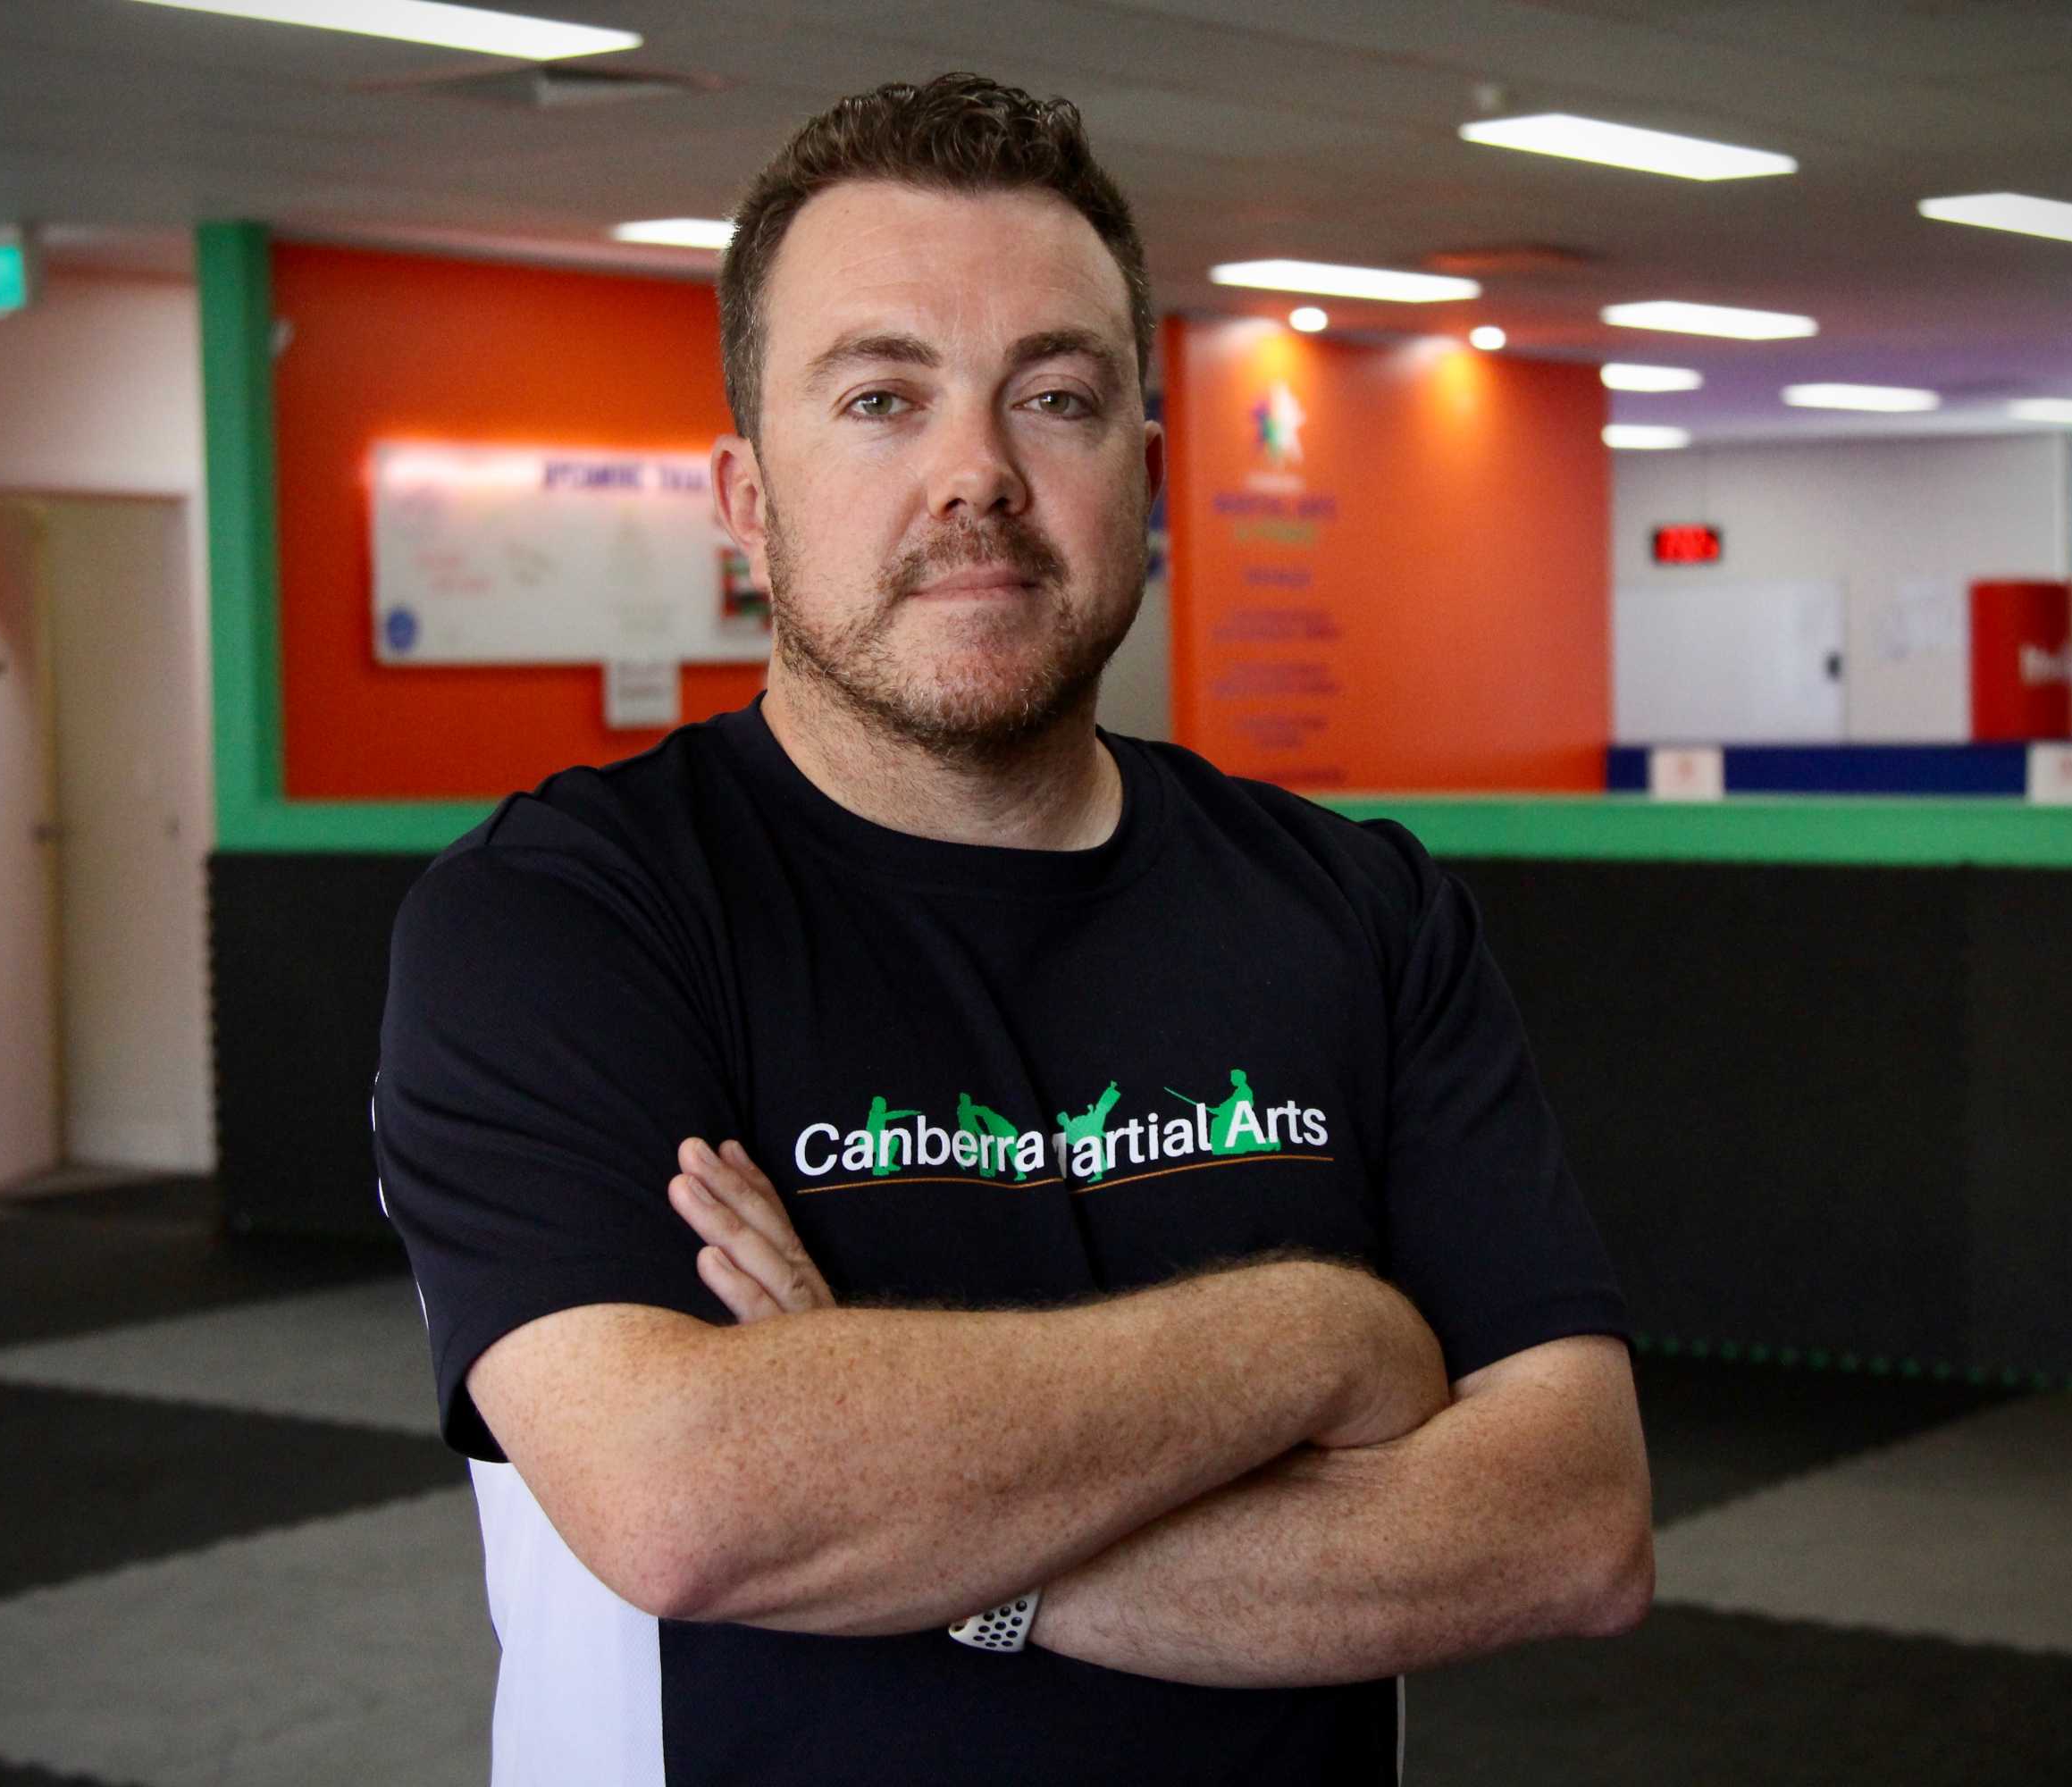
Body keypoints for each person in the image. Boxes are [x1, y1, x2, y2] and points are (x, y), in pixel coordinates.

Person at [373, 72, 1651, 1787]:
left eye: (1052, 396)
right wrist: (1317, 1339)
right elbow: (693, 1511)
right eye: (883, 398)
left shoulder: (1360, 908)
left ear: (1143, 471)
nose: (976, 473)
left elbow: (1568, 1527)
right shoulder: (559, 921)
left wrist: (907, 1507)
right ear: (746, 499)